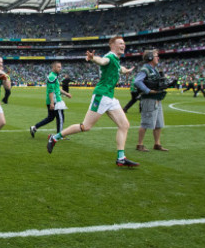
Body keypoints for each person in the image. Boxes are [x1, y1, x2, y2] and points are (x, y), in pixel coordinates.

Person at [46, 36, 139, 167]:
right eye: (120, 43)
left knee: (124, 125)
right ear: (112, 45)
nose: (123, 45)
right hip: (101, 96)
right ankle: (54, 137)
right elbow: (102, 61)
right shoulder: (110, 57)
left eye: (124, 43)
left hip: (110, 98)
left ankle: (121, 158)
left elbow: (120, 69)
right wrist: (93, 58)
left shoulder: (116, 61)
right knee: (85, 126)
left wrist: (127, 71)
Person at [134, 50, 168, 152]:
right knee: (145, 122)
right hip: (149, 99)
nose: (158, 58)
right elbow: (137, 81)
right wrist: (148, 90)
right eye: (156, 56)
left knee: (158, 123)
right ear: (150, 57)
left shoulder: (154, 69)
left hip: (157, 98)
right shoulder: (146, 69)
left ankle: (157, 144)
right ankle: (140, 145)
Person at [30, 61, 72, 138]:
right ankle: (60, 135)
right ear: (54, 67)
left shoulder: (54, 76)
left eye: (60, 67)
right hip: (55, 101)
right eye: (58, 67)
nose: (60, 68)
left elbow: (57, 89)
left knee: (50, 118)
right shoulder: (52, 76)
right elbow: (50, 90)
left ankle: (34, 127)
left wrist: (66, 94)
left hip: (52, 100)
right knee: (60, 118)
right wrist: (52, 102)